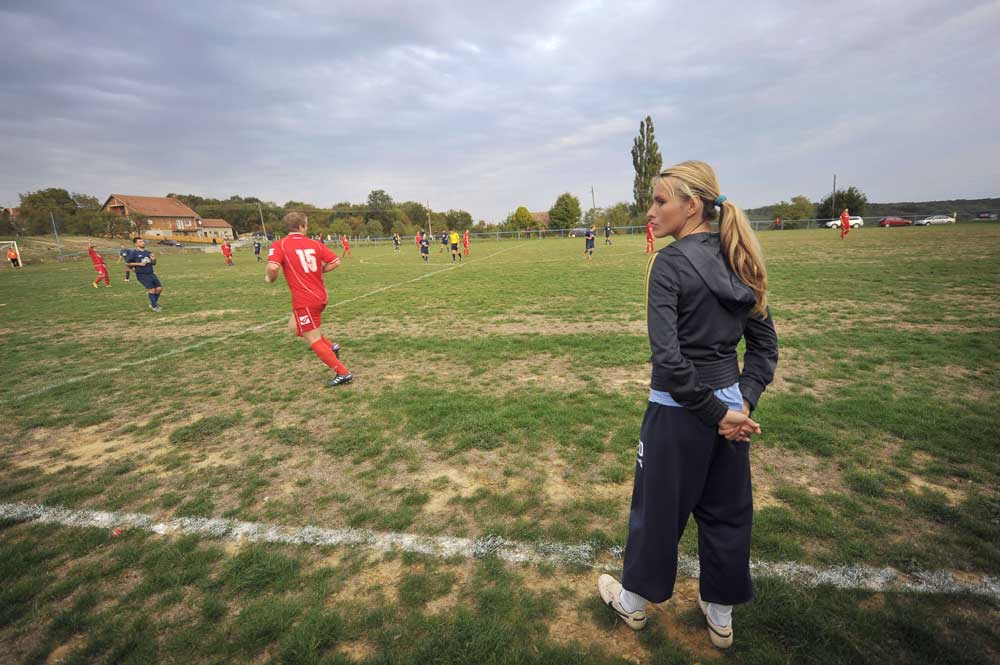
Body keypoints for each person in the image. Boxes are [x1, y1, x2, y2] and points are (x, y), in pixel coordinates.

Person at [597, 161, 778, 650]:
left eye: (660, 201)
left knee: (657, 511)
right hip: (728, 409)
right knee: (727, 511)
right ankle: (721, 617)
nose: (650, 210)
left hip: (682, 412)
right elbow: (765, 350)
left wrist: (723, 412)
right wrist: (739, 402)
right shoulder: (739, 257)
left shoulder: (670, 263)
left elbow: (670, 362)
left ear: (692, 205)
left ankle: (633, 606)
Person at [265, 212, 352, 387]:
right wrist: (319, 271)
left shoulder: (279, 245)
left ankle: (343, 373)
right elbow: (335, 261)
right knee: (294, 326)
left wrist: (270, 278)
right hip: (320, 296)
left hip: (306, 300)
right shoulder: (315, 244)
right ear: (303, 226)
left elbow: (273, 267)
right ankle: (332, 346)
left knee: (313, 340)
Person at [125, 237, 164, 311]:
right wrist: (139, 264)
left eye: (143, 241)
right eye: (140, 242)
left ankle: (152, 303)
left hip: (151, 273)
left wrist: (153, 259)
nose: (143, 243)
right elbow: (128, 263)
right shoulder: (133, 253)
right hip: (142, 274)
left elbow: (154, 263)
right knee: (152, 289)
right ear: (136, 244)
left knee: (159, 289)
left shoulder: (148, 252)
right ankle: (155, 306)